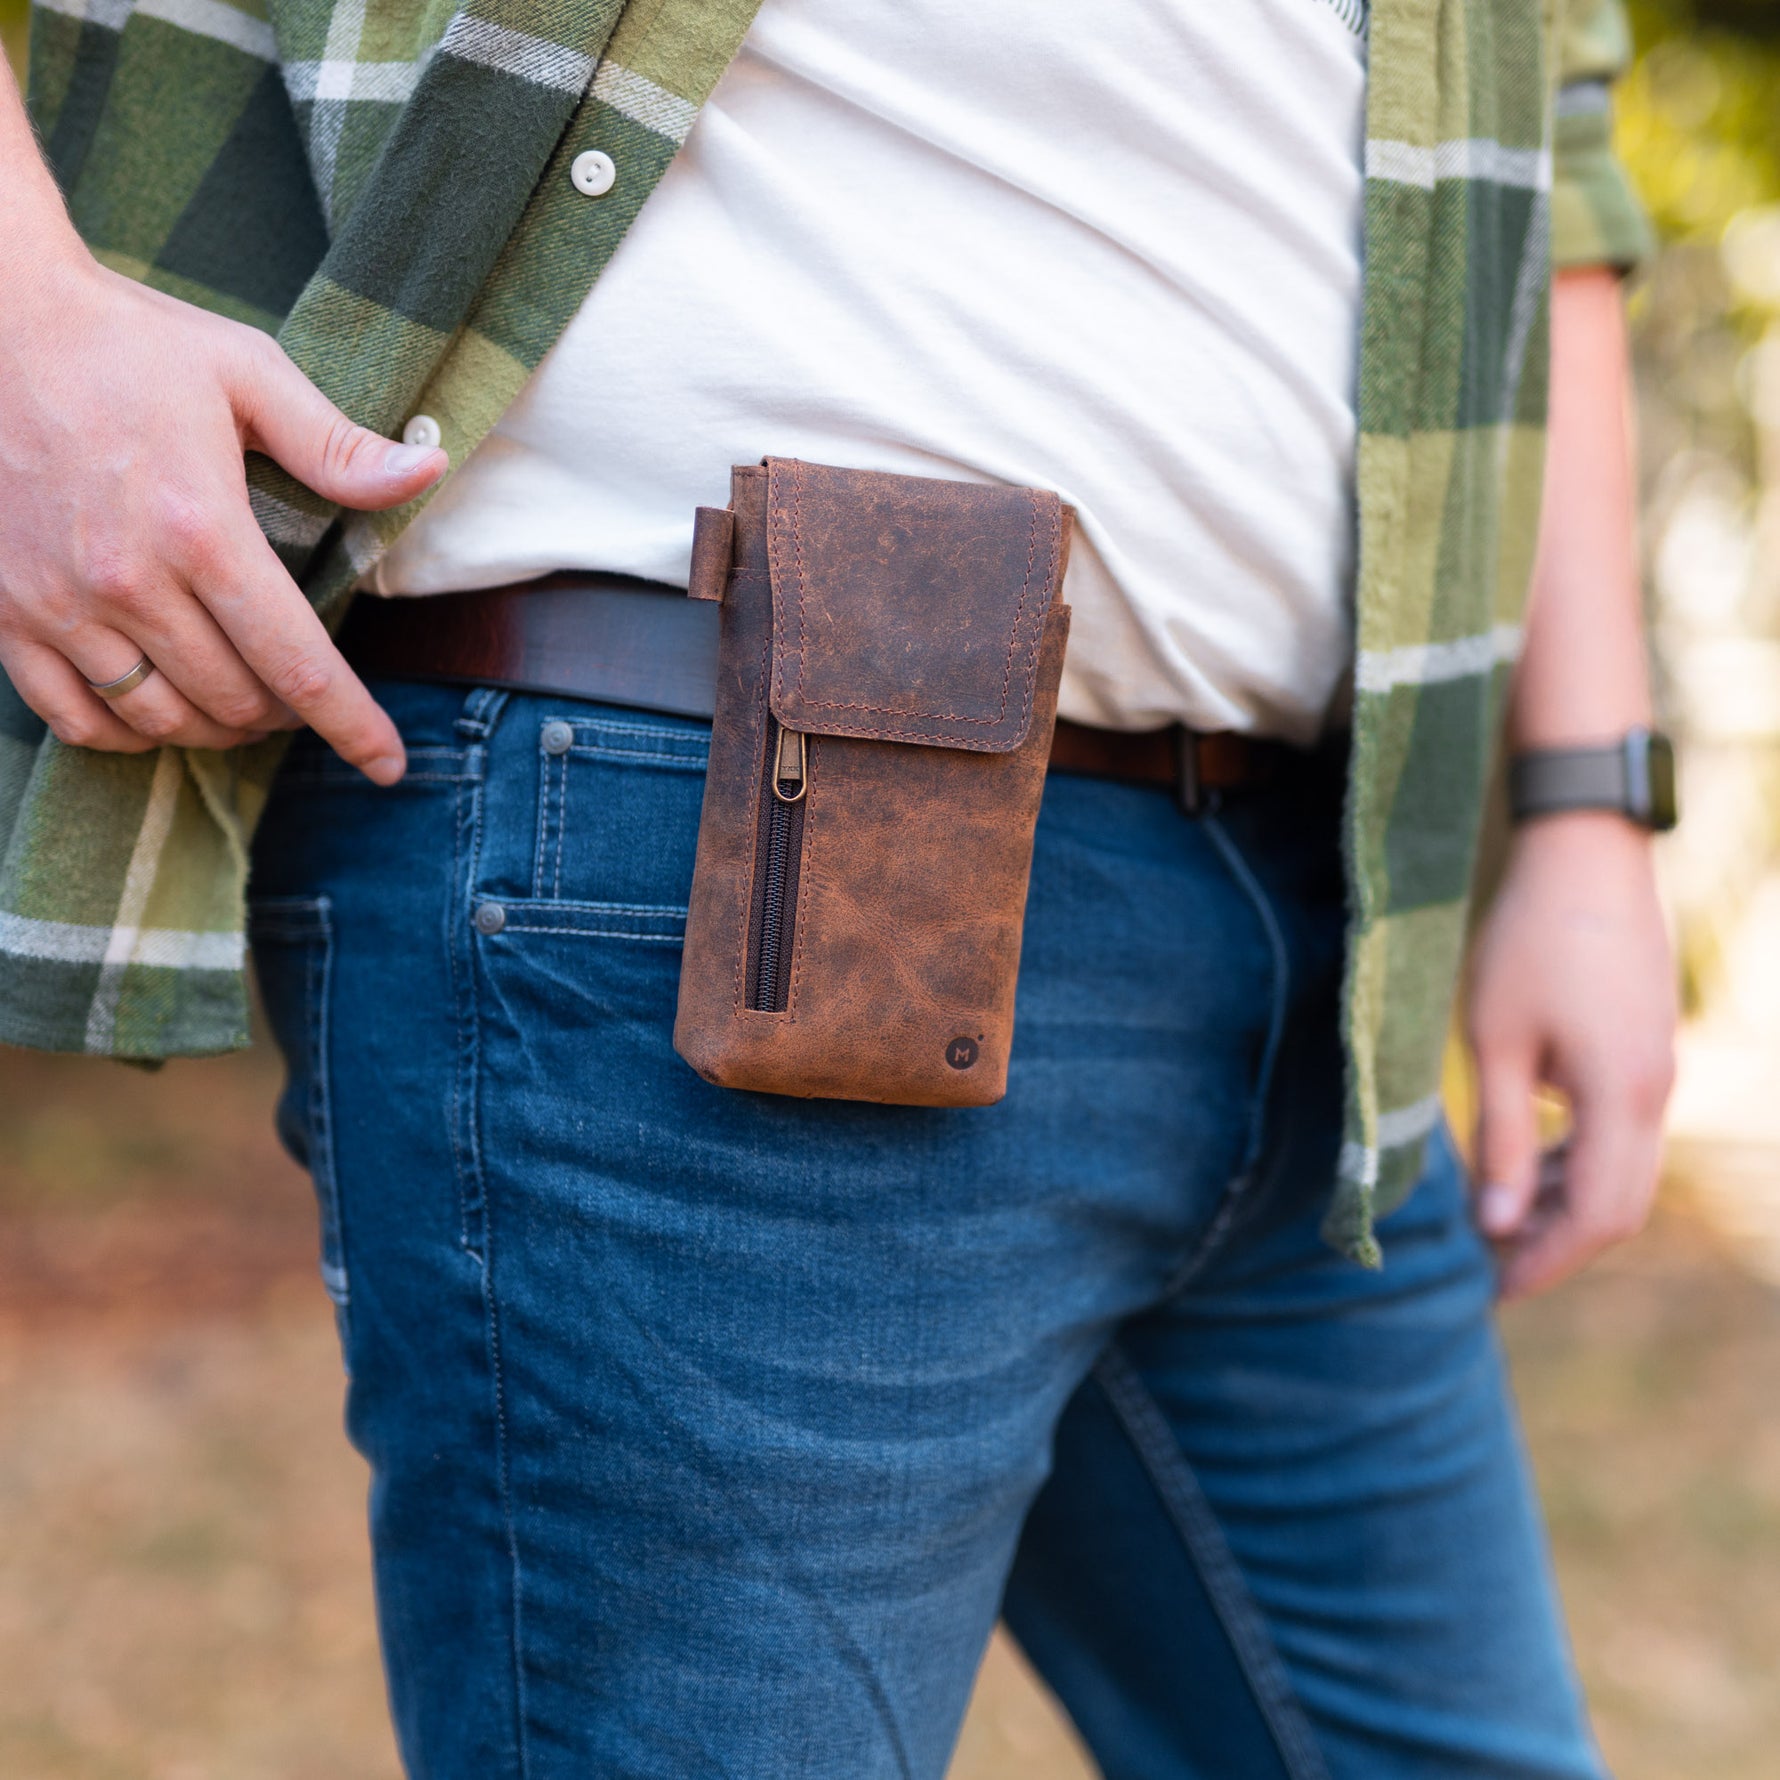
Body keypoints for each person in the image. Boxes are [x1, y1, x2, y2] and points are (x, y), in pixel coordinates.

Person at [0, 0, 1678, 1774]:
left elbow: (1544, 148)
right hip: (700, 853)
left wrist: (1587, 804)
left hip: (1309, 918)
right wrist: (27, 327)